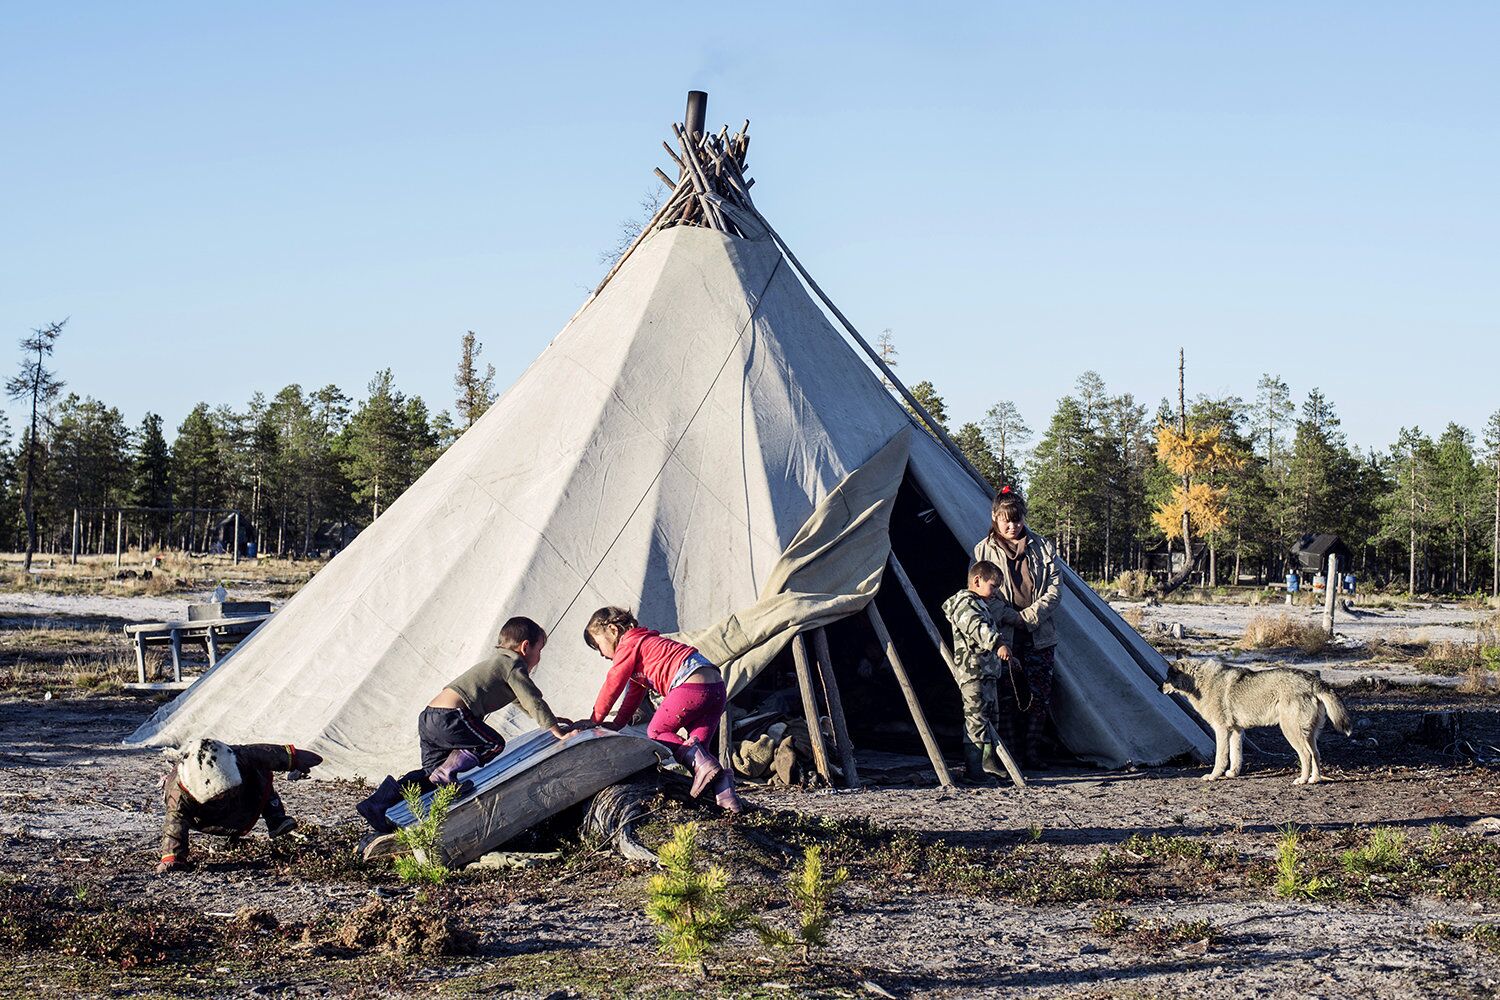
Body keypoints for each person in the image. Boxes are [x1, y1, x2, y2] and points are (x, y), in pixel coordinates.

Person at [355, 616, 573, 833]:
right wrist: (557, 732)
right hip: (451, 717)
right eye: (540, 650)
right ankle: (446, 772)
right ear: (526, 647)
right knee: (493, 744)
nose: (539, 656)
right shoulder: (512, 663)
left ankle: (376, 804)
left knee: (430, 777)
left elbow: (521, 701)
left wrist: (551, 720)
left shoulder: (496, 663)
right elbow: (531, 698)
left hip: (429, 716)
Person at [584, 606, 743, 814]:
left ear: (613, 630)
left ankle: (712, 779)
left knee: (657, 732)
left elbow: (613, 683)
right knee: (700, 755)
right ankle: (728, 800)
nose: (602, 655)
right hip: (715, 688)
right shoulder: (644, 647)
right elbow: (635, 694)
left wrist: (595, 718)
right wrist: (617, 723)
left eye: (598, 645)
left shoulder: (628, 643)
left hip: (690, 684)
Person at [971, 486, 1062, 767]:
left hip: (1039, 635)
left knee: (1039, 696)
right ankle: (1011, 754)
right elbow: (980, 592)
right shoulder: (983, 550)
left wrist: (1031, 616)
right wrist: (1013, 617)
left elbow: (1054, 590)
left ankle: (1033, 753)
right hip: (1004, 635)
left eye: (1017, 519)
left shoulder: (1043, 548)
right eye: (1005, 520)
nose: (1012, 525)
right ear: (995, 518)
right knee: (1006, 697)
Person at [157, 737, 323, 874]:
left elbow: (260, 755)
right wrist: (173, 859)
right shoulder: (178, 793)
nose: (223, 795)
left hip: (241, 802)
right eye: (219, 794)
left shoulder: (231, 756)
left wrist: (292, 758)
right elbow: (174, 825)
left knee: (260, 770)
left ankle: (276, 818)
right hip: (207, 818)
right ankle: (228, 836)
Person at [941, 560, 1015, 785]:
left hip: (987, 671)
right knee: (976, 720)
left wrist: (1010, 657)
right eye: (993, 586)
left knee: (991, 718)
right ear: (977, 581)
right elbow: (977, 628)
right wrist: (997, 644)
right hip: (973, 671)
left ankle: (988, 763)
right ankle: (974, 769)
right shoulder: (965, 604)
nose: (995, 593)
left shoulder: (981, 604)